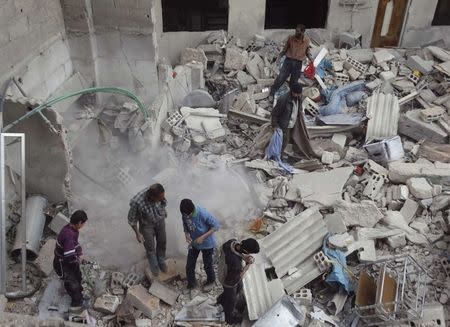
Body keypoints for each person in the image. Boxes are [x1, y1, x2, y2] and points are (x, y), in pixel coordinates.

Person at [217, 238, 260, 324]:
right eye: (249, 252)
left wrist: (244, 257)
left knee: (239, 287)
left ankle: (221, 300)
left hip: (223, 269)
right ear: (245, 250)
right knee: (231, 299)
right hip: (228, 281)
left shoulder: (232, 242)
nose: (249, 254)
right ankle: (229, 318)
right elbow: (237, 277)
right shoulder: (236, 265)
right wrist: (247, 266)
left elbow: (235, 253)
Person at [180, 199, 220, 291]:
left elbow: (216, 226)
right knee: (189, 265)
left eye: (189, 216)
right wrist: (186, 234)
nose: (187, 217)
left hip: (207, 243)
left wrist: (202, 237)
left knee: (207, 265)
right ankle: (192, 284)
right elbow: (185, 224)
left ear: (193, 210)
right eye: (185, 215)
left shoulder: (202, 213)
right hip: (194, 242)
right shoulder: (185, 214)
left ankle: (211, 281)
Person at [128, 183, 167, 276]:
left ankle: (161, 261)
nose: (162, 199)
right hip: (146, 225)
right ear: (152, 197)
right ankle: (155, 267)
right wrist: (138, 234)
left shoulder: (160, 195)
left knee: (162, 241)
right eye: (159, 198)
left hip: (159, 219)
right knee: (150, 248)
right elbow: (131, 219)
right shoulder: (137, 202)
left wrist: (163, 211)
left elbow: (163, 202)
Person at [53, 210, 88, 312]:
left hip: (69, 261)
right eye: (83, 223)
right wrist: (77, 260)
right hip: (63, 263)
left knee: (78, 276)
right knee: (72, 284)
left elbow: (75, 244)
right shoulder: (68, 235)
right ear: (79, 223)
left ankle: (79, 294)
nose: (83, 225)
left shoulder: (72, 229)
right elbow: (69, 256)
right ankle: (76, 304)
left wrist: (80, 254)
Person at [270, 24, 312, 97]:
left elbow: (307, 52)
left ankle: (291, 97)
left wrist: (311, 59)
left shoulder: (306, 41)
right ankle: (272, 93)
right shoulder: (291, 38)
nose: (296, 33)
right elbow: (285, 49)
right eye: (295, 30)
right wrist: (279, 57)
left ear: (303, 32)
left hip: (298, 64)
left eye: (298, 31)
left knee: (294, 82)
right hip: (288, 62)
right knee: (280, 78)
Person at [271, 83, 303, 153]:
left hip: (293, 124)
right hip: (285, 125)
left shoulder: (299, 98)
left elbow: (299, 108)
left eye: (299, 94)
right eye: (297, 94)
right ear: (292, 92)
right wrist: (275, 125)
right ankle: (278, 155)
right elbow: (274, 113)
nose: (299, 95)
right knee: (284, 141)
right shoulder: (283, 100)